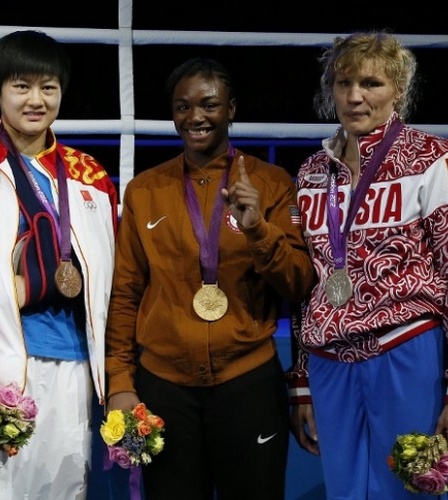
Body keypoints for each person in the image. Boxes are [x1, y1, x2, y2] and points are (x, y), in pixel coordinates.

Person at [105, 57, 315, 500]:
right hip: (164, 388)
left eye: (209, 105)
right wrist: (120, 383)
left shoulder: (272, 183)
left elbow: (298, 285)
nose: (195, 117)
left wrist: (258, 230)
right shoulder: (144, 190)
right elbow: (125, 293)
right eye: (183, 107)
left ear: (231, 109)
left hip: (248, 382)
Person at [288, 30, 448, 499]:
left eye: (371, 83)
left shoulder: (434, 159)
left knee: (418, 490)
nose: (355, 96)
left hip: (407, 351)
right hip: (330, 365)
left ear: (398, 89)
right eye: (344, 83)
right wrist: (302, 381)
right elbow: (307, 285)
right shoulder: (311, 173)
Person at [0, 30, 118, 499]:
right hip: (2, 367)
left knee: (67, 490)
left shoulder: (92, 175)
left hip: (79, 367)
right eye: (21, 86)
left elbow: (110, 282)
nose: (36, 100)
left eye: (48, 87)